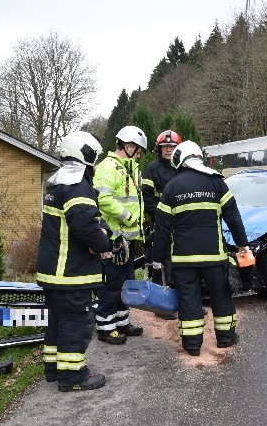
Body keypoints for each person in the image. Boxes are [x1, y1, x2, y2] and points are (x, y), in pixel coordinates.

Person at [152, 141, 250, 355]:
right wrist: (243, 245)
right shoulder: (217, 182)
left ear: (179, 160)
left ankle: (192, 345)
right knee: (221, 297)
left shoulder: (172, 187)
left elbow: (161, 229)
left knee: (189, 301)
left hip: (183, 260)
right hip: (214, 257)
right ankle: (226, 338)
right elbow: (233, 217)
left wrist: (157, 260)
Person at [36, 131, 110, 392]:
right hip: (70, 272)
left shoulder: (56, 185)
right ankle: (73, 376)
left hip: (53, 271)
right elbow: (83, 224)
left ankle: (55, 370)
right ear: (86, 156)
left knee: (58, 321)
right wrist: (104, 244)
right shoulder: (77, 186)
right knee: (76, 323)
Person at [92, 125, 148, 344]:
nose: (141, 154)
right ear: (128, 146)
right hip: (114, 239)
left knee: (126, 282)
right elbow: (102, 200)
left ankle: (122, 322)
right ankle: (105, 328)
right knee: (112, 283)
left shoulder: (131, 168)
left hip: (128, 238)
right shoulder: (108, 167)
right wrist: (129, 218)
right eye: (139, 150)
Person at [142, 129, 182, 319]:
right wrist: (162, 216)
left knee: (181, 263)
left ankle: (179, 300)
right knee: (160, 261)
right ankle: (161, 305)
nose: (168, 150)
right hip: (161, 223)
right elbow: (147, 198)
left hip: (181, 224)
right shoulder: (151, 168)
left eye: (172, 147)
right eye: (165, 147)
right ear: (159, 149)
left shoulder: (182, 168)